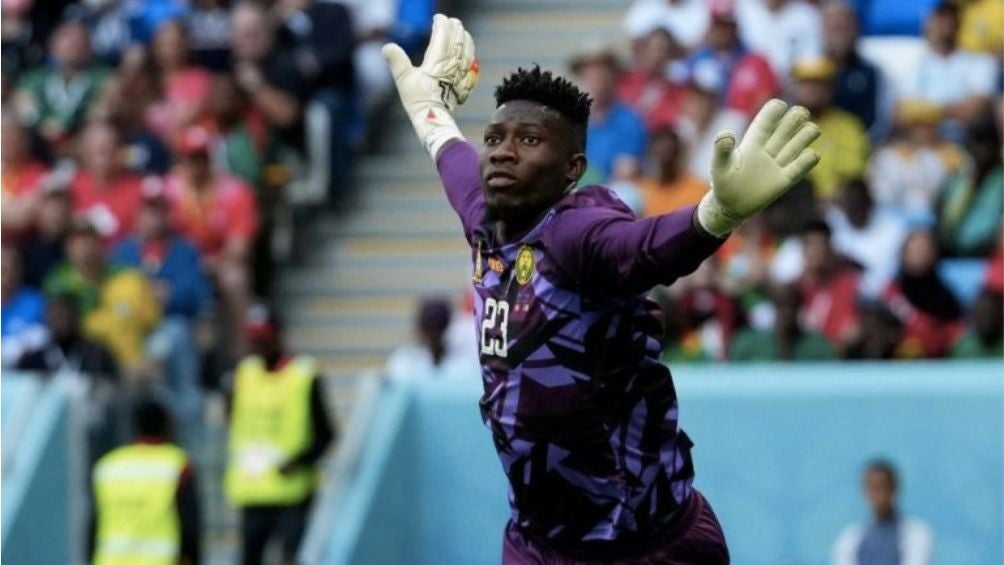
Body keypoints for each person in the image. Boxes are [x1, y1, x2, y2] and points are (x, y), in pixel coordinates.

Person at [383, 14, 821, 562]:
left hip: (648, 543)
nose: (501, 151)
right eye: (494, 137)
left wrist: (717, 213)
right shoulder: (486, 218)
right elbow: (452, 157)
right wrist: (431, 110)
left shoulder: (576, 234)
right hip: (538, 543)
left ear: (573, 169)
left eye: (529, 139)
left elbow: (645, 249)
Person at [225, 304, 336, 565]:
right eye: (255, 339)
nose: (259, 346)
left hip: (292, 492)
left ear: (278, 336)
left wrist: (298, 461)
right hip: (253, 490)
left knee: (291, 558)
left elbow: (325, 434)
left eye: (264, 338)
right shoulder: (243, 374)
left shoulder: (303, 374)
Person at [89, 398, 201, 565]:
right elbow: (190, 526)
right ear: (166, 426)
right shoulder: (177, 465)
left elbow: (94, 524)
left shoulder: (108, 466)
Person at [789, 56, 869, 200]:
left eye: (819, 84)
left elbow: (852, 177)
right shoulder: (783, 125)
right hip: (792, 205)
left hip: (837, 206)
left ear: (831, 88)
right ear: (794, 87)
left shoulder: (849, 126)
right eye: (806, 83)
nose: (813, 90)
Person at [832, 459, 933, 565]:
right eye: (872, 488)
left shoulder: (916, 533)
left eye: (882, 486)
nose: (878, 494)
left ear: (894, 489)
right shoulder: (850, 539)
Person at [728, 283, 835, 361]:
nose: (786, 312)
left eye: (790, 305)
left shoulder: (818, 347)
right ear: (773, 307)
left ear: (799, 308)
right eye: (780, 305)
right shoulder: (748, 344)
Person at [385, 296, 473, 381]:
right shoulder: (403, 361)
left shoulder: (463, 364)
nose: (433, 333)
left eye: (438, 326)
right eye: (429, 326)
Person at [636, 125, 709, 217]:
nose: (665, 162)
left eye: (670, 153)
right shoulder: (641, 193)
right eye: (660, 154)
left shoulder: (698, 190)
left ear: (680, 155)